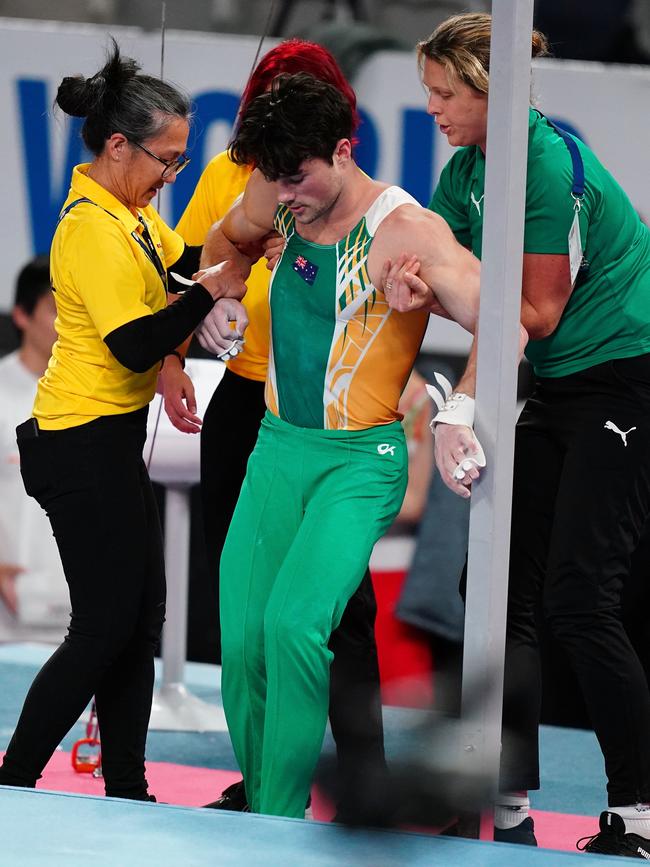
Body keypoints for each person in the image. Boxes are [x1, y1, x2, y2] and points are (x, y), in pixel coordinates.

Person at [194, 71, 481, 818]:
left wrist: (457, 399)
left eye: (297, 177)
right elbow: (224, 239)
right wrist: (220, 292)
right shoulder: (275, 190)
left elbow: (510, 319)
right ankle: (261, 798)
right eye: (273, 179)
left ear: (345, 150)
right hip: (276, 447)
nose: (283, 194)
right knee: (245, 638)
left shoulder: (407, 230)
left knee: (295, 627)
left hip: (360, 464)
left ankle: (277, 820)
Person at [404, 12, 650, 855]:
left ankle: (637, 815)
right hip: (556, 384)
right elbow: (442, 270)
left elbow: (533, 313)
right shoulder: (466, 171)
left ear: (488, 90)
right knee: (496, 590)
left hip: (626, 376)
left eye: (443, 93)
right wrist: (418, 283)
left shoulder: (547, 165)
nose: (431, 107)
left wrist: (431, 296)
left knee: (582, 599)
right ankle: (501, 802)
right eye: (427, 92)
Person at [0, 41, 240, 800]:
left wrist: (245, 228)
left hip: (109, 437)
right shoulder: (91, 229)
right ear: (116, 145)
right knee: (105, 624)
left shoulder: (130, 213)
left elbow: (184, 258)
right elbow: (135, 339)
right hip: (78, 441)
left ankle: (129, 786)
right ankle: (14, 779)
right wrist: (212, 291)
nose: (172, 176)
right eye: (166, 160)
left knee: (139, 618)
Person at [163, 40, 390, 814]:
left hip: (337, 429)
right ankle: (259, 778)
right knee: (249, 616)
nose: (285, 184)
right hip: (251, 403)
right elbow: (200, 256)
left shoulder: (355, 193)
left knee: (334, 615)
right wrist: (208, 308)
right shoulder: (246, 172)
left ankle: (363, 777)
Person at [0, 256, 69, 642]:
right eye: (56, 309)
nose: (67, 321)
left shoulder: (100, 400)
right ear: (22, 316)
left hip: (80, 615)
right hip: (8, 620)